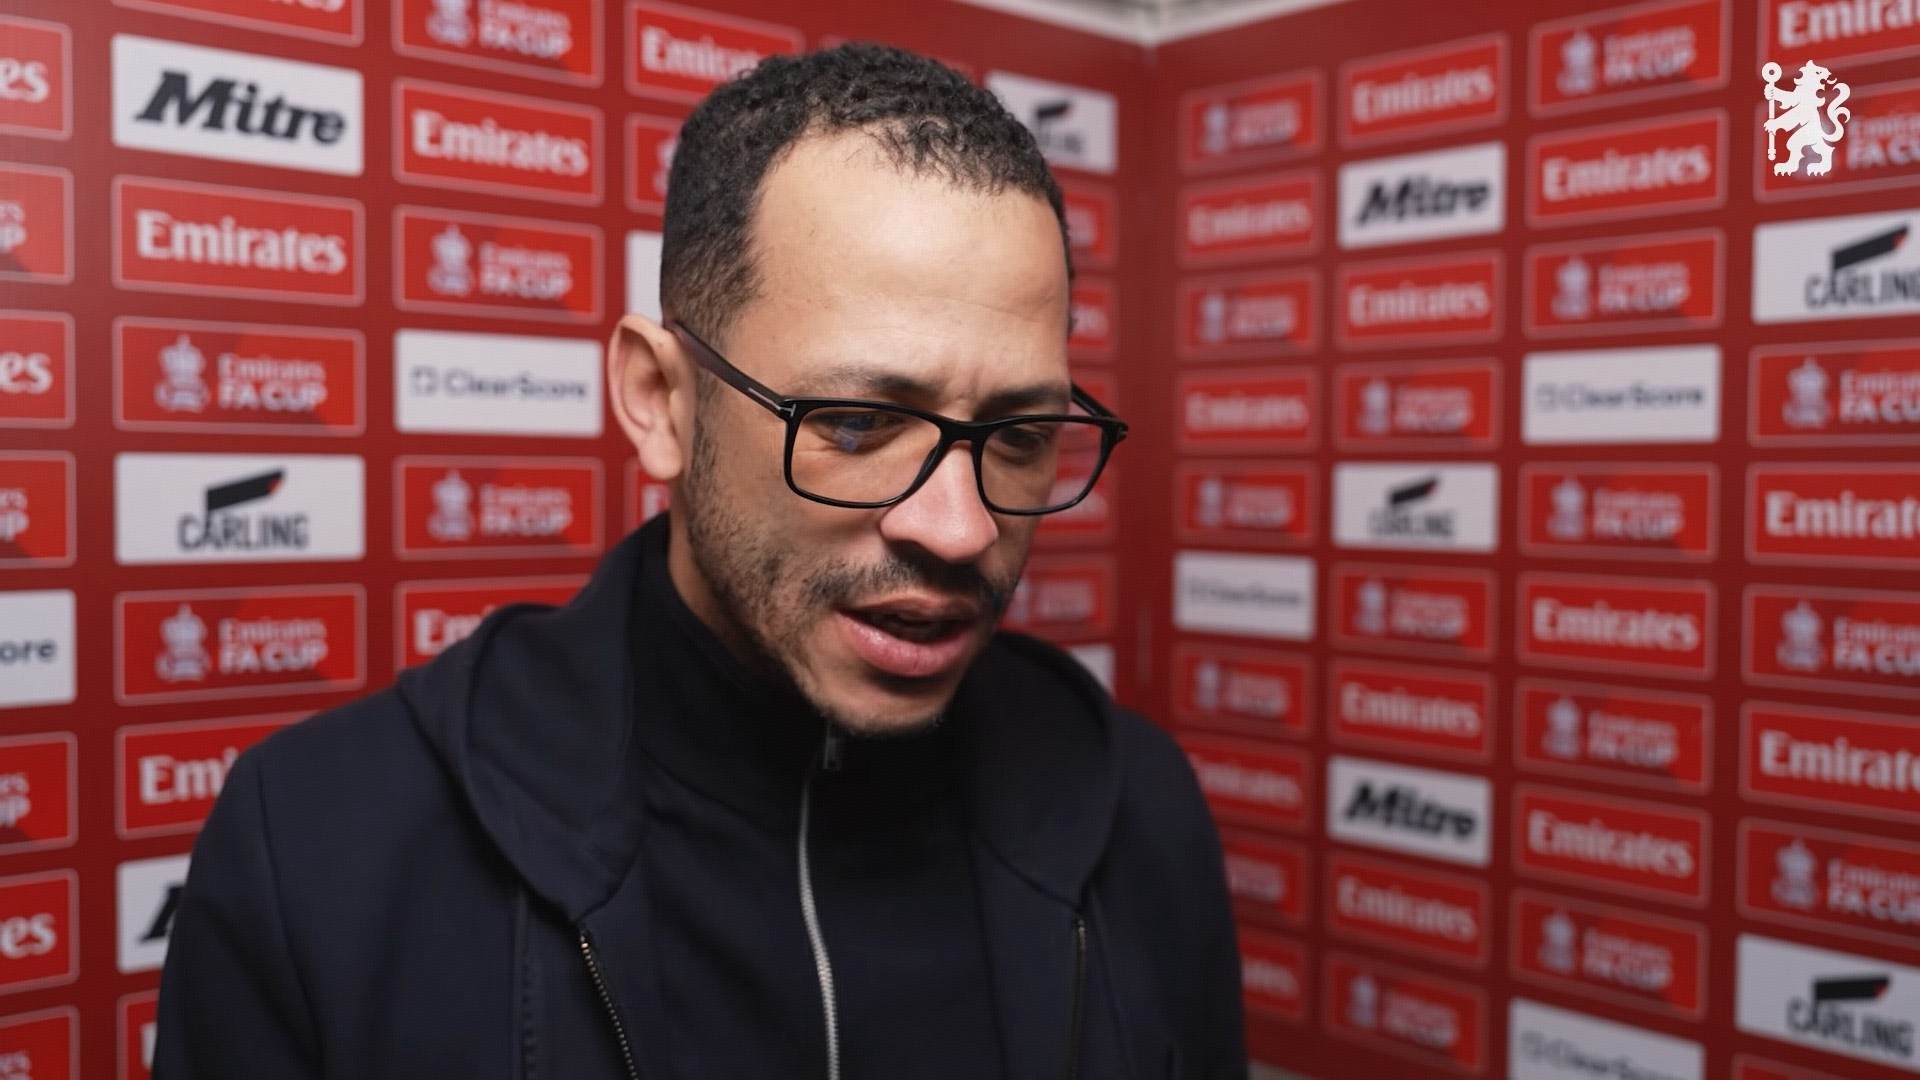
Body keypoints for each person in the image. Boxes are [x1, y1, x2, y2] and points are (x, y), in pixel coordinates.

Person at [155, 43, 1246, 1080]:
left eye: (1019, 434)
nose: (959, 529)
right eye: (857, 424)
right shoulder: (316, 849)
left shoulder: (1139, 811)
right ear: (661, 401)